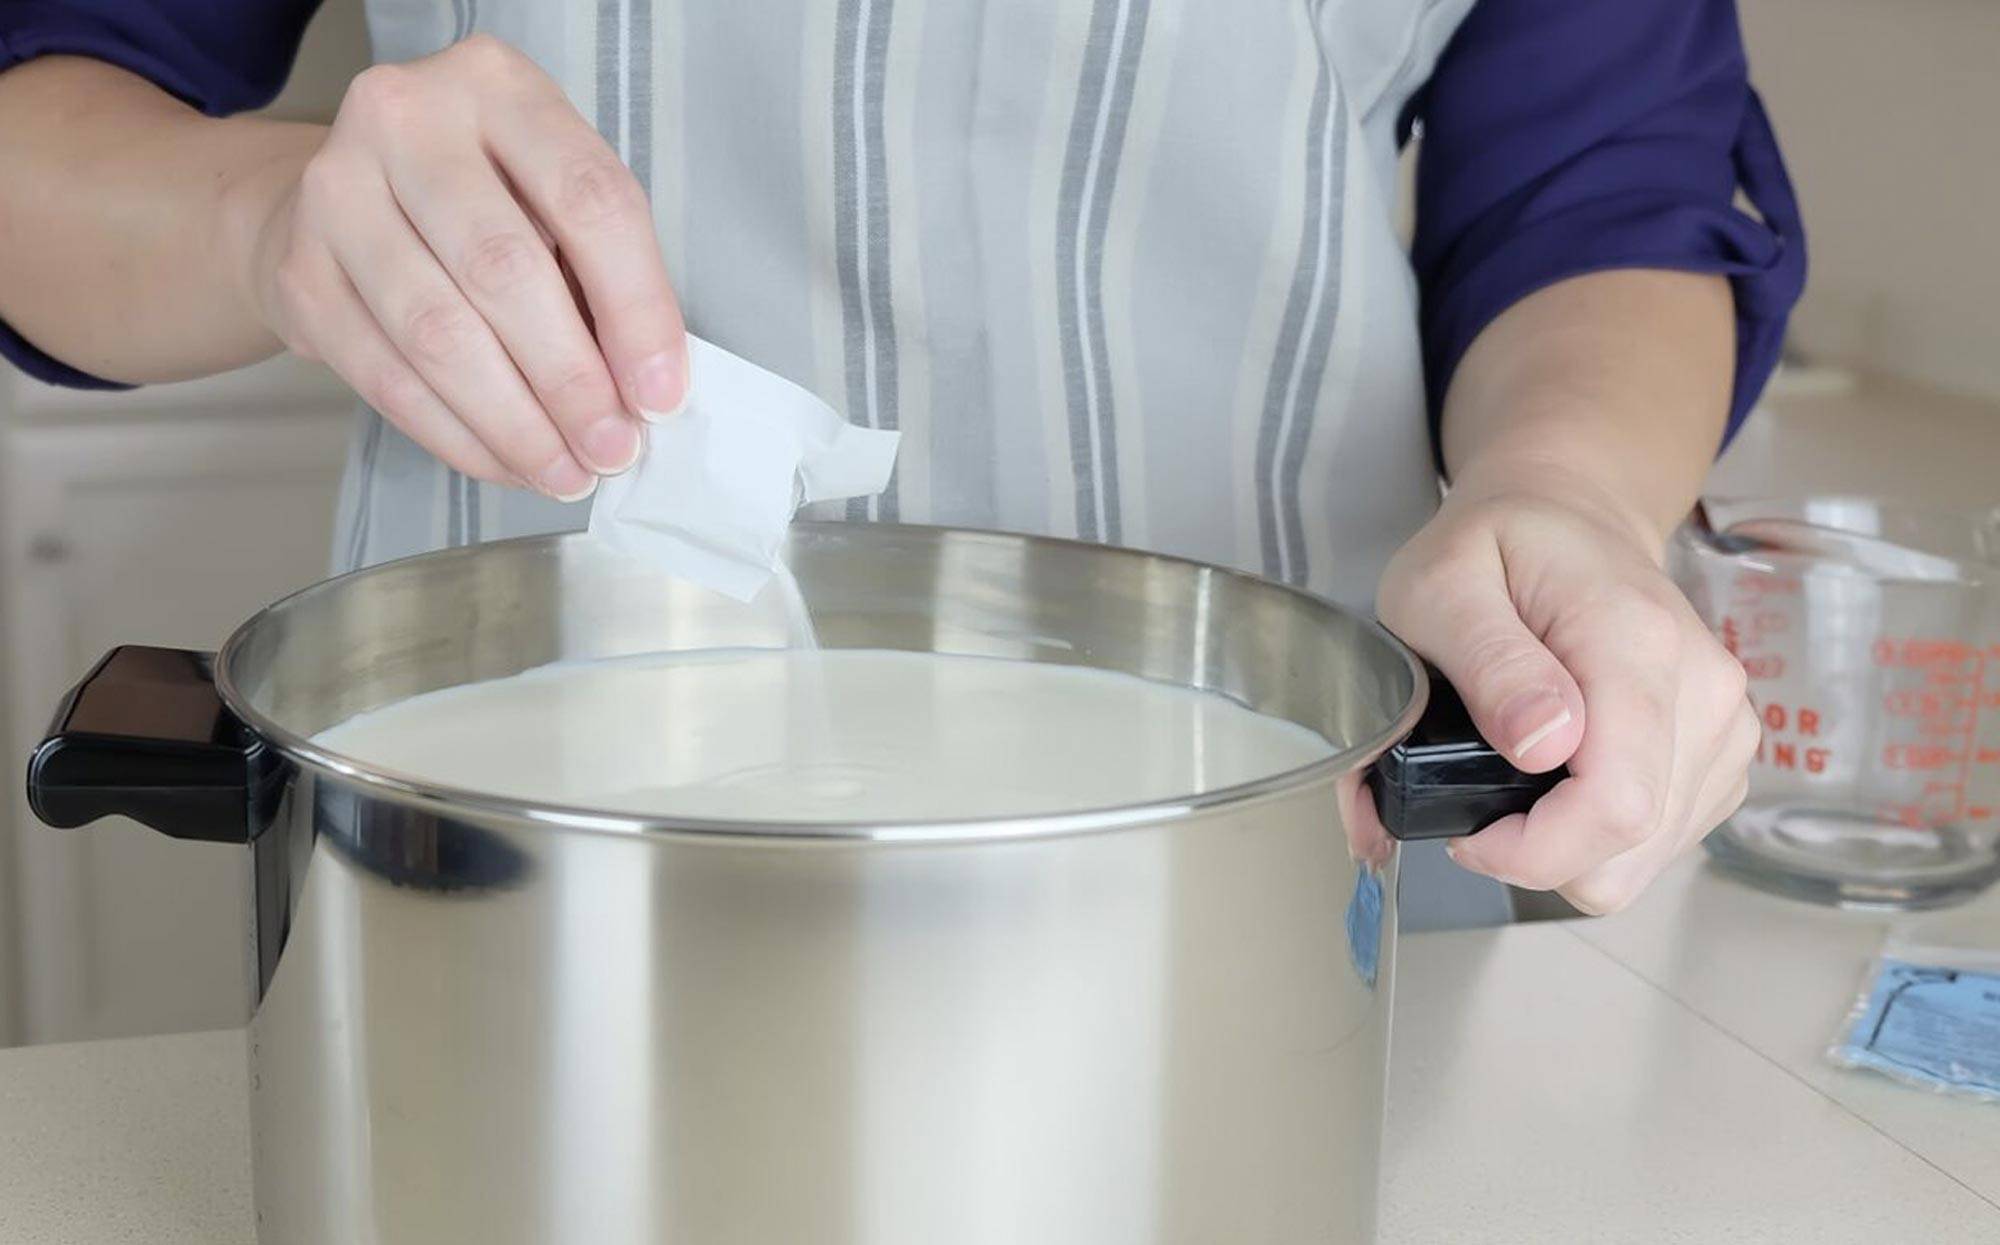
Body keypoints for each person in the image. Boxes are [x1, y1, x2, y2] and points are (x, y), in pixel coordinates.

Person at [0, 0, 1804, 925]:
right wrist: (266, 216)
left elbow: (1609, 188)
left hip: (1292, 874)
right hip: (521, 891)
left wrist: (1561, 492)